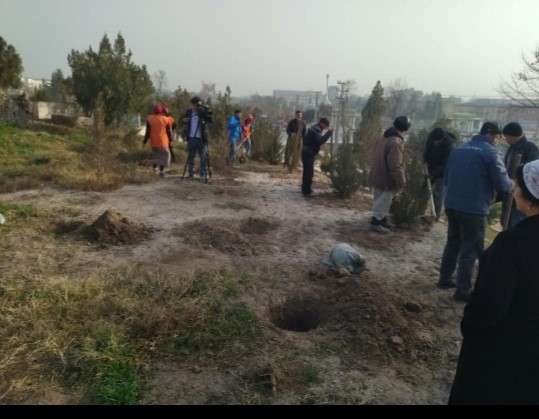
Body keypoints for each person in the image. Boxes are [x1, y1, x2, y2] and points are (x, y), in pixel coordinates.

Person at [448, 159, 539, 405]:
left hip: (505, 354)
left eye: (518, 186)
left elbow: (489, 306)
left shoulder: (513, 244)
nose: (514, 190)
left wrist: (470, 326)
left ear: (530, 198)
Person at [437, 122, 513, 301]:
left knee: (453, 243)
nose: (497, 140)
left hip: (452, 204)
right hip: (474, 209)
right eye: (497, 137)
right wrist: (513, 184)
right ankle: (463, 291)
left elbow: (447, 178)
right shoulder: (491, 153)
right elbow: (502, 184)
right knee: (470, 250)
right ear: (493, 136)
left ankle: (445, 278)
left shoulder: (458, 149)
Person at [367, 115, 411, 234]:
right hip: (386, 178)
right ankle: (375, 223)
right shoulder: (396, 142)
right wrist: (401, 180)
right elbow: (395, 164)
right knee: (384, 201)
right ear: (406, 128)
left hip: (377, 174)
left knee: (380, 199)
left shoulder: (383, 138)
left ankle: (382, 219)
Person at [499, 122, 539, 229]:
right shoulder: (512, 147)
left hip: (520, 193)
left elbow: (532, 172)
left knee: (516, 223)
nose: (505, 139)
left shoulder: (529, 148)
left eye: (506, 137)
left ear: (512, 136)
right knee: (505, 222)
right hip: (509, 191)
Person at [423, 127, 456, 220]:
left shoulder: (450, 147)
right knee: (424, 189)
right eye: (434, 141)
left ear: (442, 139)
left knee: (438, 193)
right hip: (430, 168)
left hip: (442, 173)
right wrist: (425, 157)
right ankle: (420, 209)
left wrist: (433, 173)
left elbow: (445, 165)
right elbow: (427, 149)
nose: (435, 143)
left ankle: (435, 215)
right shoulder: (432, 137)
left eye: (437, 142)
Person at [301, 117, 334, 197]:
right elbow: (320, 141)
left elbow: (305, 137)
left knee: (306, 172)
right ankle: (307, 191)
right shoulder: (316, 129)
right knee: (309, 173)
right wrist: (329, 133)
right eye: (325, 126)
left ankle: (304, 189)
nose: (325, 128)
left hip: (305, 151)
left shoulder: (313, 127)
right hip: (309, 152)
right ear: (322, 123)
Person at [182, 96, 208, 180]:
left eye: (198, 104)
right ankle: (191, 174)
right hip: (191, 137)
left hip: (201, 138)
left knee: (203, 157)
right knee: (191, 157)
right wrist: (184, 120)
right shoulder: (189, 112)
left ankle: (202, 174)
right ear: (192, 104)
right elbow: (182, 120)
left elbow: (210, 119)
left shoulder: (203, 112)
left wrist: (205, 111)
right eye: (195, 104)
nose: (197, 106)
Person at [142, 103, 172, 177]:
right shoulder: (166, 119)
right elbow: (168, 132)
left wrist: (144, 142)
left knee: (156, 155)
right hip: (163, 141)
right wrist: (171, 140)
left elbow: (147, 132)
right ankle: (162, 171)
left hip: (154, 141)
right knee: (164, 155)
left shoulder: (150, 119)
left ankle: (155, 169)